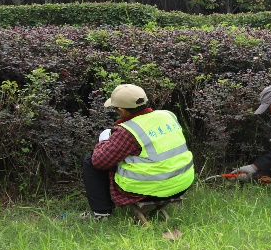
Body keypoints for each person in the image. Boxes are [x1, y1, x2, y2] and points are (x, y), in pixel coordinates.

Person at [82, 84, 195, 220]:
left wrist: (104, 142)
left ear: (121, 110)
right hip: (182, 184)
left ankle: (101, 214)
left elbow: (99, 162)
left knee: (91, 160)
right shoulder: (168, 115)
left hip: (150, 191)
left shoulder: (127, 131)